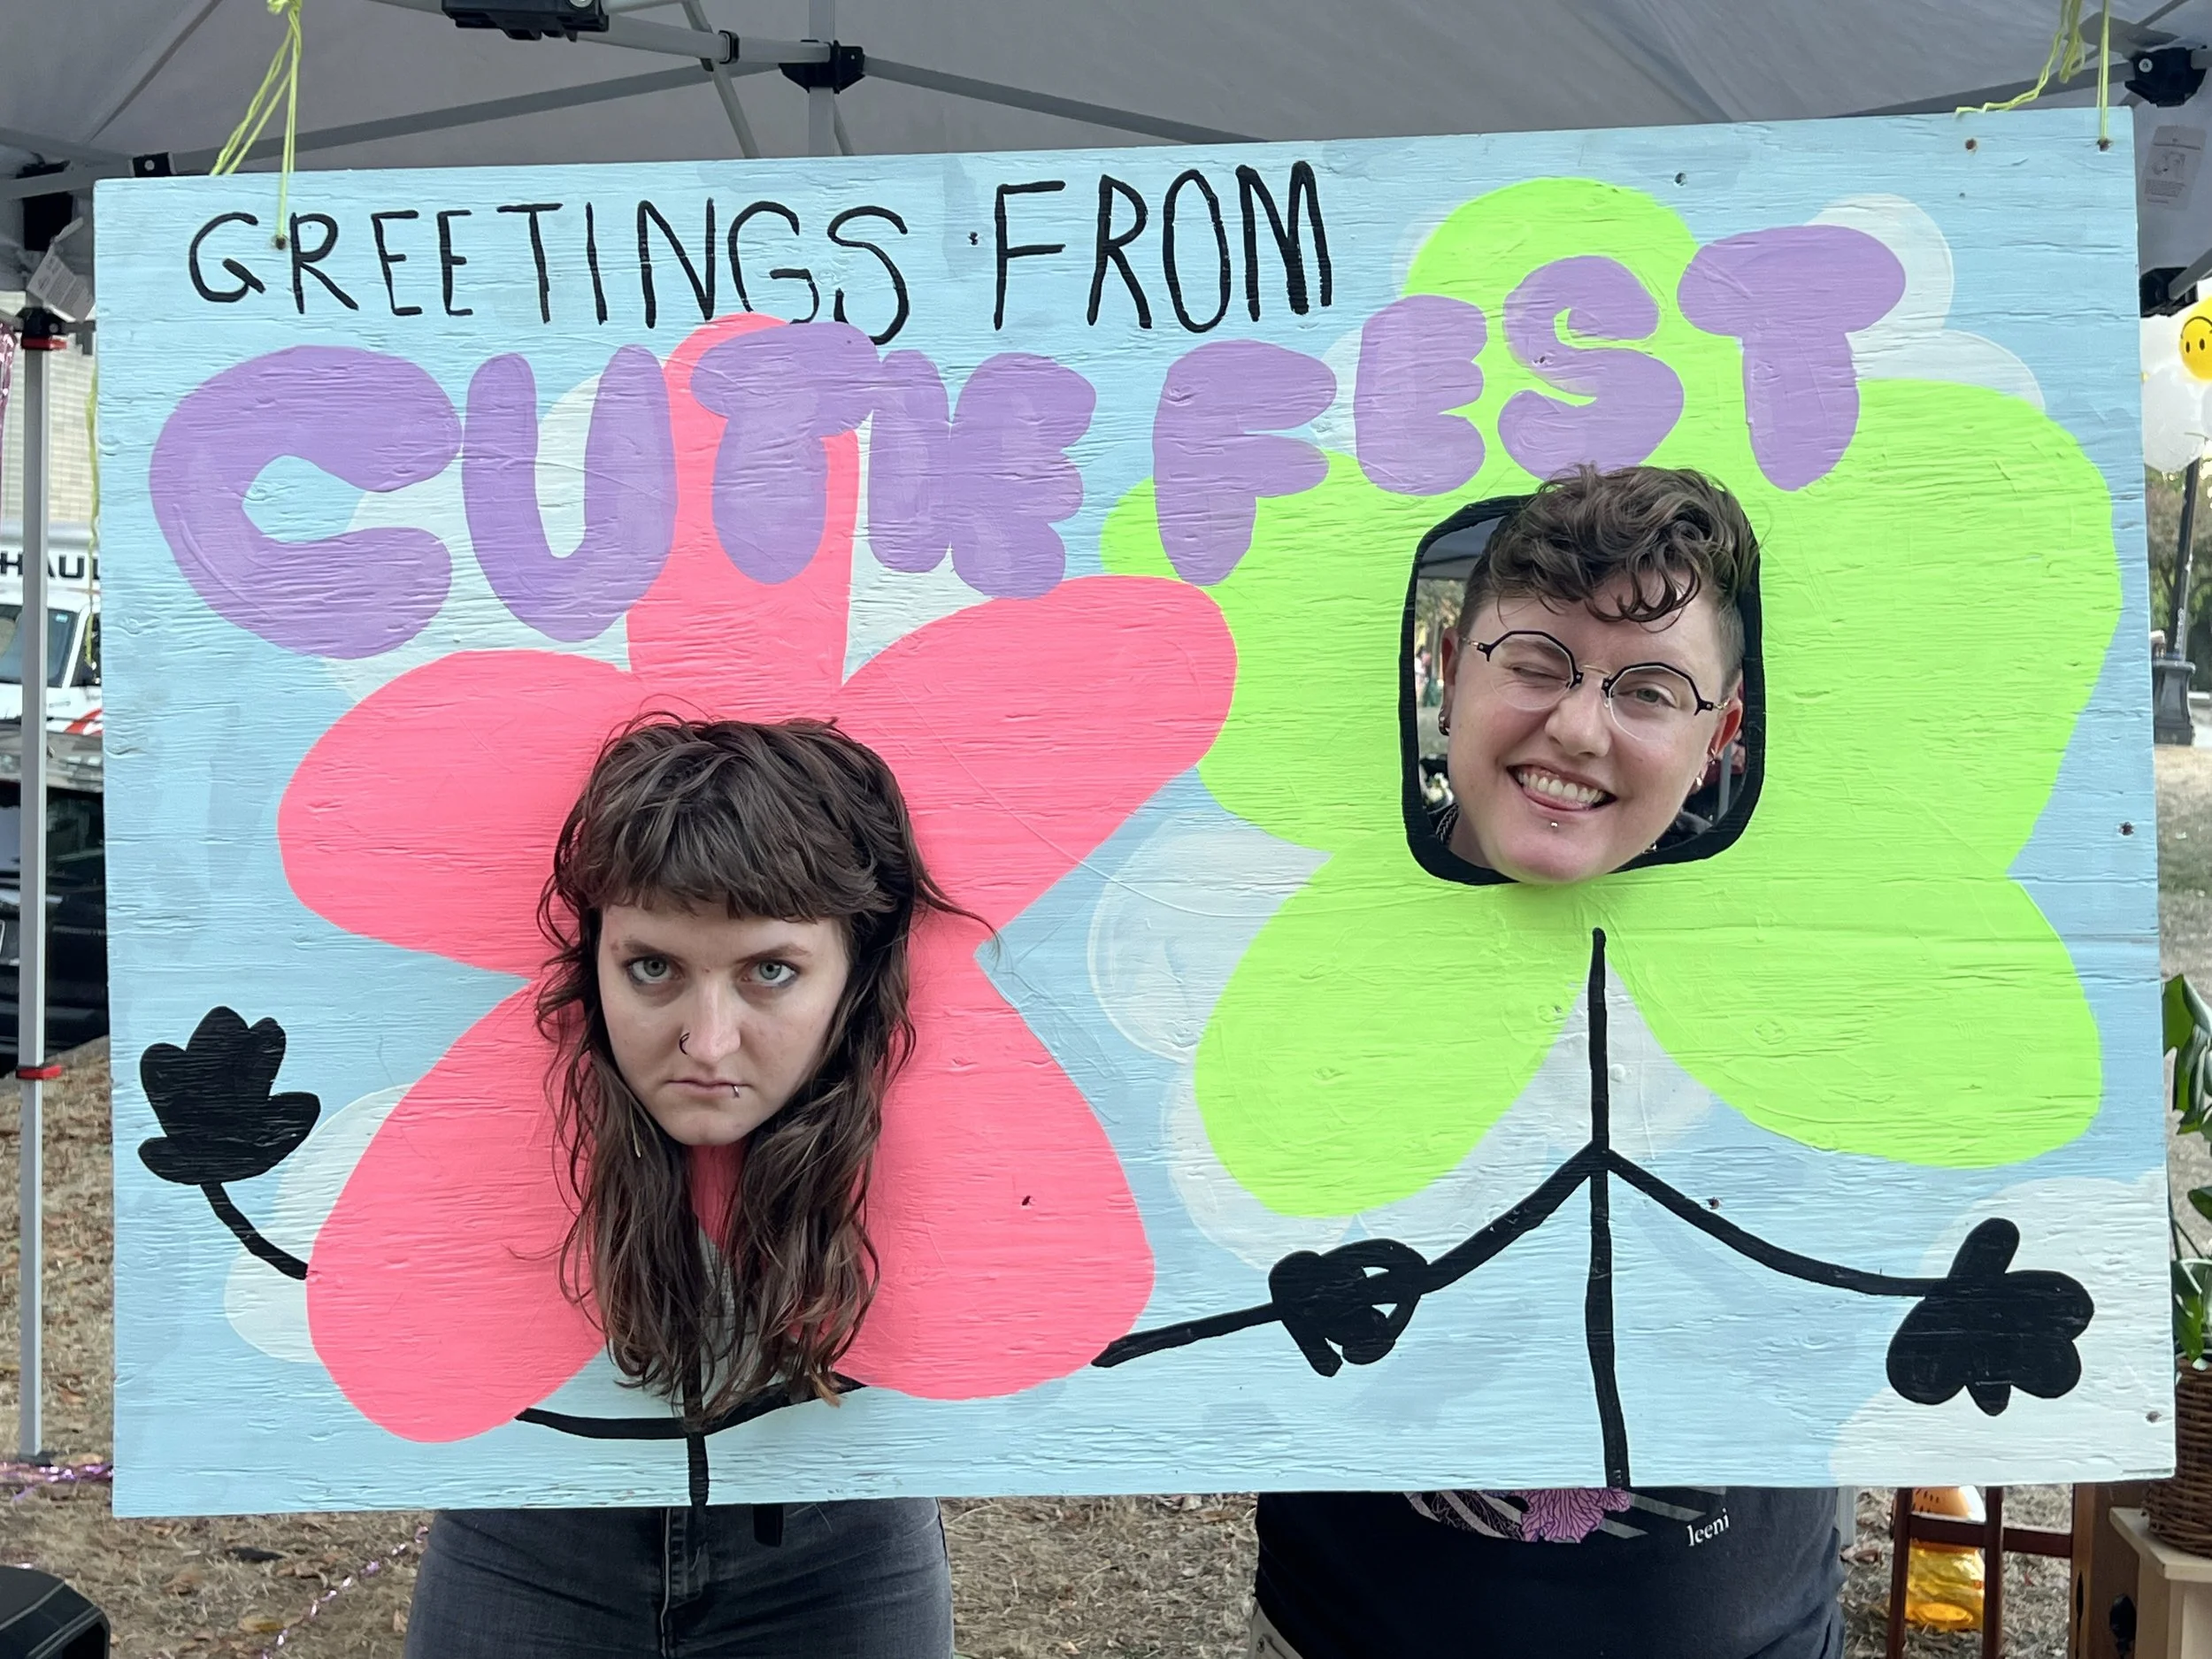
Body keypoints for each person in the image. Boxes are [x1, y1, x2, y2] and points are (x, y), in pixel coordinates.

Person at [1250, 465, 1845, 1659]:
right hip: (1349, 1630)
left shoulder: (1827, 960)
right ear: (1449, 665)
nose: (1577, 726)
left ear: (1723, 726)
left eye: (1650, 688)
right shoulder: (1289, 945)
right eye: (1534, 662)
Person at [404, 718, 963, 1659]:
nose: (707, 1042)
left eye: (770, 972)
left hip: (841, 1535)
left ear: (858, 975)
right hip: (528, 1527)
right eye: (652, 968)